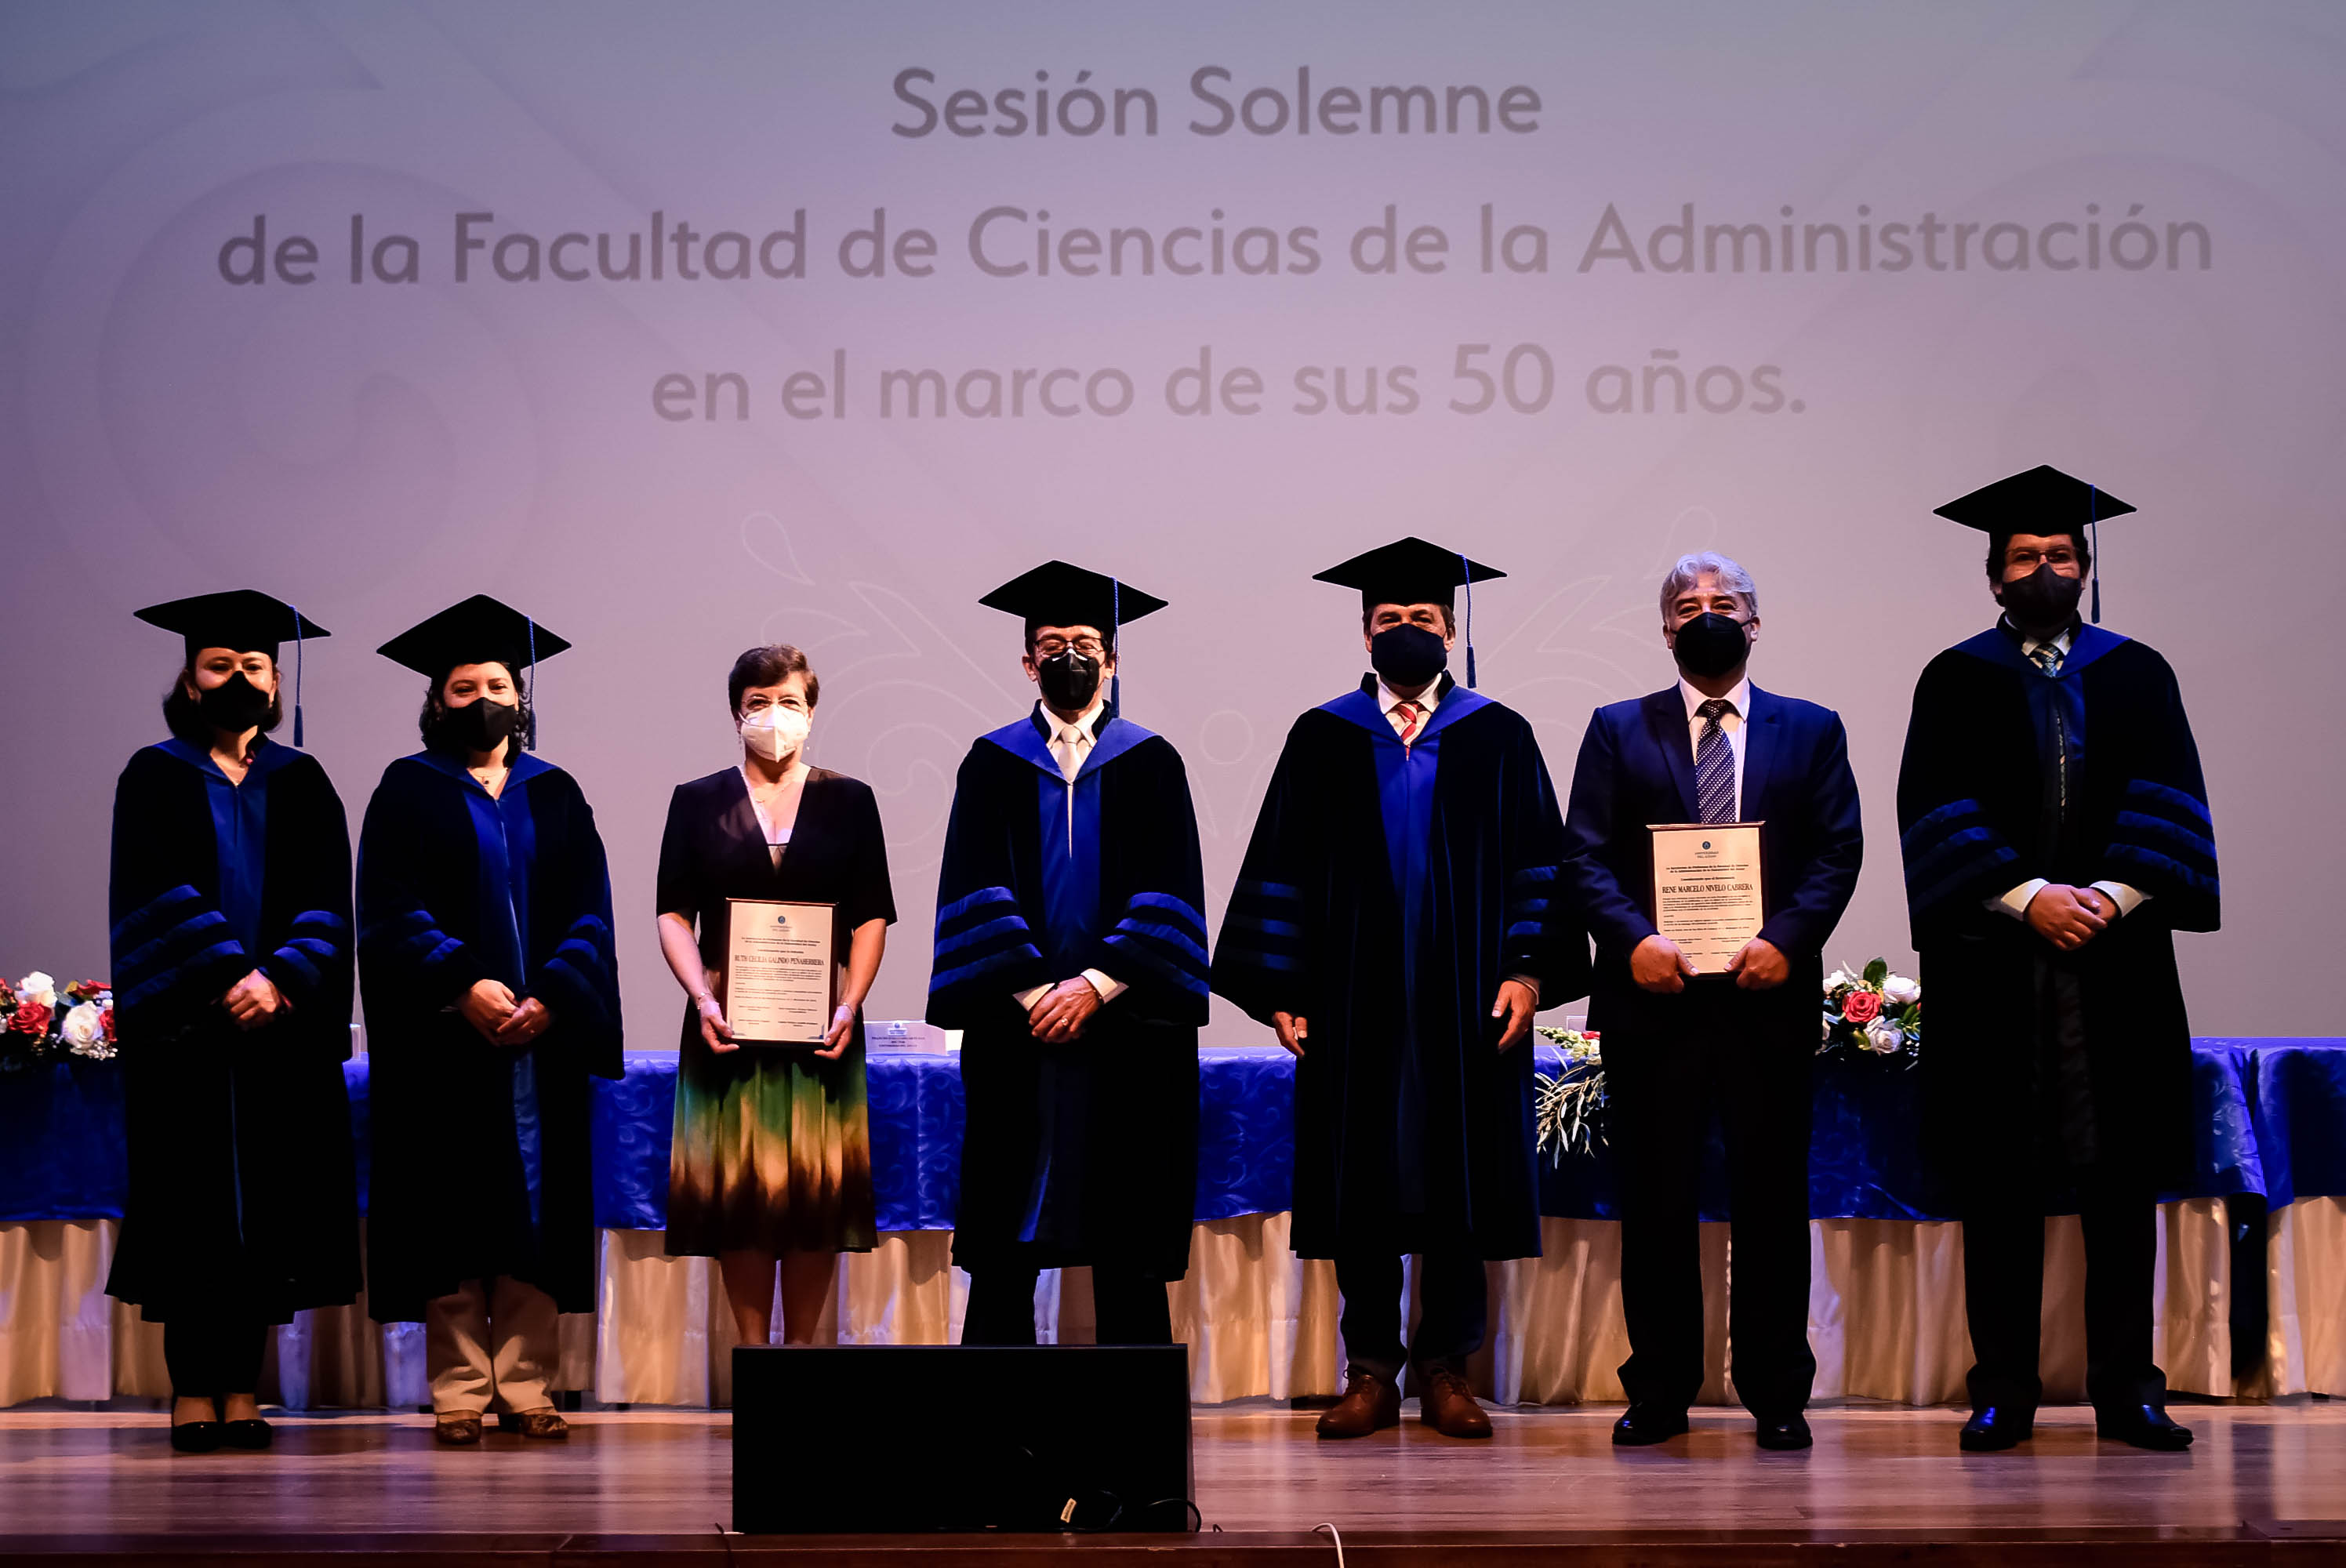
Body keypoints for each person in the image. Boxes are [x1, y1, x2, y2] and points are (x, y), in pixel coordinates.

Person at [1213, 537, 1588, 1441]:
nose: (1406, 633)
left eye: (1422, 620)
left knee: (1459, 1178)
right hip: (1355, 1001)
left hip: (1469, 1005)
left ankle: (1449, 1367)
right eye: (1390, 621)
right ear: (1364, 630)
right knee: (1363, 1181)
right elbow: (1284, 869)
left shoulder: (1497, 735)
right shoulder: (1324, 734)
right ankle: (1371, 1367)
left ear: (1451, 631)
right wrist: (1284, 992)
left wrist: (1527, 969)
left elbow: (1542, 865)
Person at [1898, 465, 2216, 1454]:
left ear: (2084, 568)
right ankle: (2001, 1388)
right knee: (1999, 1186)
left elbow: (2172, 799)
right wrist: (2031, 897)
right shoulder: (1954, 676)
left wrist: (2108, 898)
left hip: (2115, 966)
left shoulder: (2138, 671)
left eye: (2061, 555)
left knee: (2121, 1186)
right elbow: (1934, 810)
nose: (2044, 568)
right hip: (1996, 965)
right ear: (1994, 577)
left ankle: (2130, 1388)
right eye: (2025, 557)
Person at [1558, 552, 1863, 1450]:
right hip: (1653, 1000)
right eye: (1686, 606)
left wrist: (1785, 940)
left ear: (1755, 623)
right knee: (1654, 1203)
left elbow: (1836, 853)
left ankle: (1776, 1389)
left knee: (1770, 1199)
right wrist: (1633, 940)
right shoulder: (1618, 727)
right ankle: (1658, 1388)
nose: (1705, 615)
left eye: (1723, 603)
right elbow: (1584, 856)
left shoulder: (1811, 729)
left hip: (1766, 998)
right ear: (1664, 630)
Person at [357, 595, 622, 1445]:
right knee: (452, 1210)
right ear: (436, 702)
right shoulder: (406, 788)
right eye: (463, 686)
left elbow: (590, 908)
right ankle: (462, 1388)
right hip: (446, 1041)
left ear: (522, 694)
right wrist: (463, 982)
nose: (482, 699)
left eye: (498, 682)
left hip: (537, 1043)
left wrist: (549, 993)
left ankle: (530, 1379)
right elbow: (389, 908)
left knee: (535, 1216)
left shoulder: (557, 790)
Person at [107, 590, 361, 1454]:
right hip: (190, 1034)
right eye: (222, 664)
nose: (240, 678)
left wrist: (282, 977)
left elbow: (330, 892)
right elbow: (149, 888)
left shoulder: (304, 778)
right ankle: (190, 1391)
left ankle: (243, 1388)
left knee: (267, 1214)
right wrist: (229, 972)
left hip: (276, 1037)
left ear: (276, 680)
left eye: (255, 665)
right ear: (189, 677)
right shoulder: (154, 772)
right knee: (192, 1207)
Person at [928, 561, 1207, 1348]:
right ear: (1026, 663)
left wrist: (1094, 984)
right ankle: (995, 1442)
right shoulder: (992, 760)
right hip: (1017, 1032)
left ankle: (1135, 1454)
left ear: (1112, 659)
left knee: (1128, 1238)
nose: (1069, 655)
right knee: (1006, 1232)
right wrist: (1030, 991)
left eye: (1085, 641)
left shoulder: (1152, 760)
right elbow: (970, 883)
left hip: (1129, 1029)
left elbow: (1171, 888)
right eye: (1051, 643)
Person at [656, 644, 895, 1345]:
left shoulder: (850, 800)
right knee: (742, 1197)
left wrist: (850, 1004)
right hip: (726, 1025)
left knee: (815, 1195)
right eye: (759, 702)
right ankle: (753, 1361)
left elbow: (872, 915)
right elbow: (674, 914)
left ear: (812, 712)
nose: (774, 716)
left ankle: (802, 1359)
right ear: (737, 713)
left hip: (823, 1027)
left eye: (789, 702)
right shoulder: (697, 800)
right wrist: (702, 996)